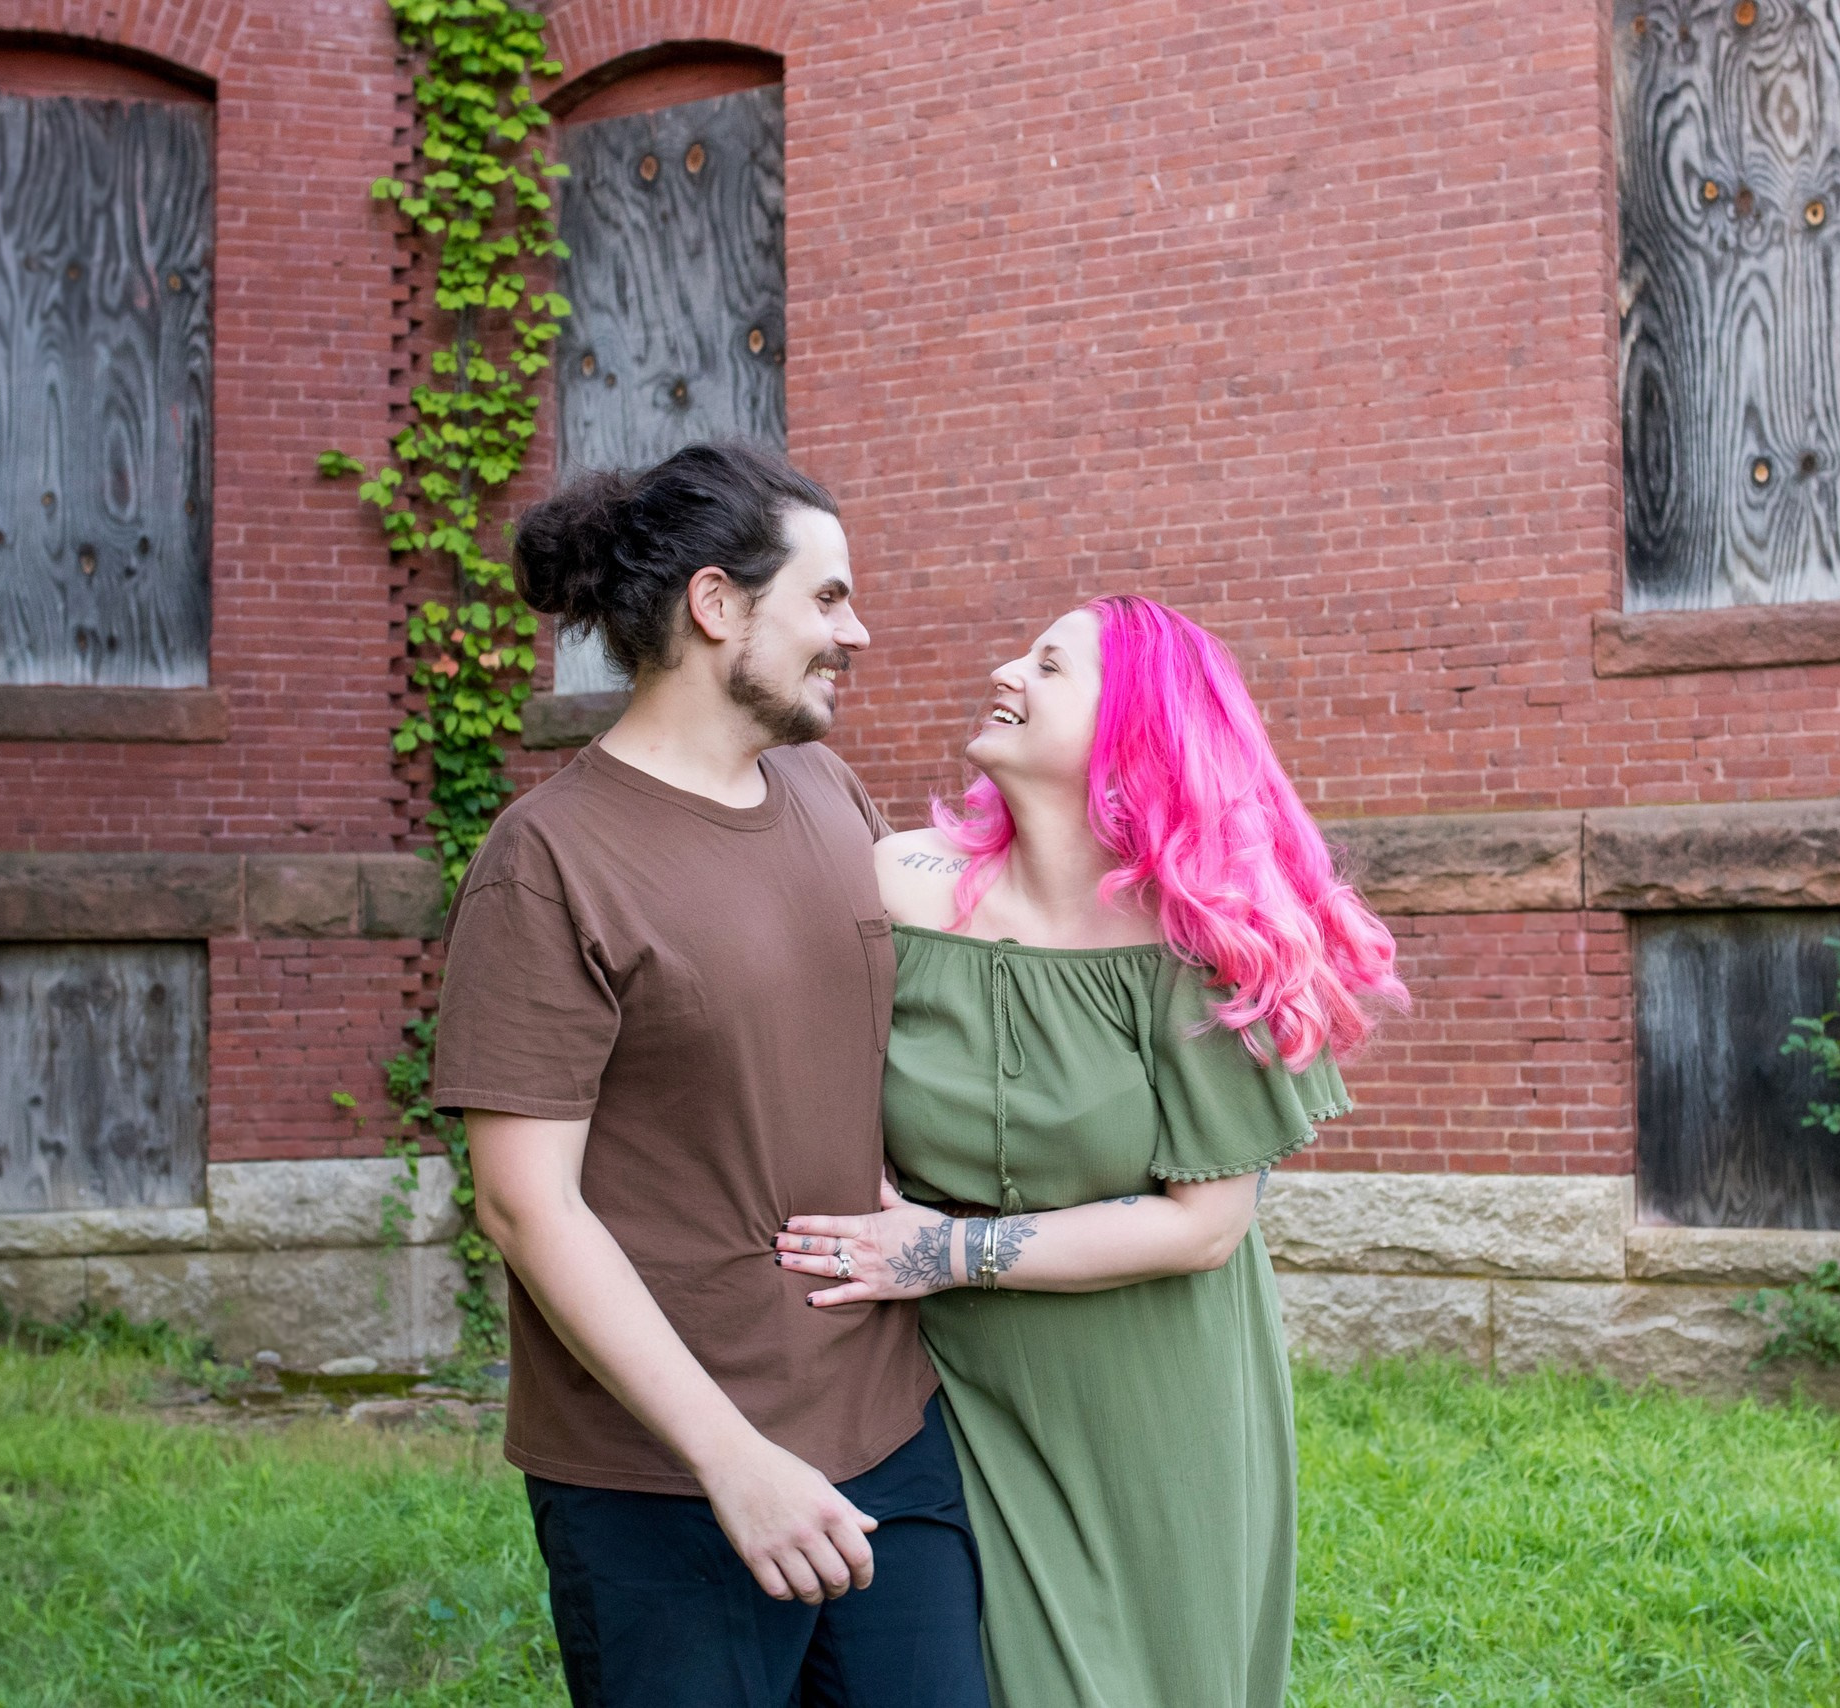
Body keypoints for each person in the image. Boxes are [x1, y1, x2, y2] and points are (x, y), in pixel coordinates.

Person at [430, 444, 989, 1708]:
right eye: (829, 598)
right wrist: (732, 1458)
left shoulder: (824, 790)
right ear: (716, 604)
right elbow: (527, 1204)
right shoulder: (551, 862)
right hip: (665, 1480)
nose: (860, 631)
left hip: (890, 1431)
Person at [774, 595, 1408, 1707]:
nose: (1007, 668)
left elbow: (1205, 1225)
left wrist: (943, 1252)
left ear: (1133, 733)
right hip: (947, 1388)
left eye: (1051, 664)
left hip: (1152, 1391)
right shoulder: (894, 885)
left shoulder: (1196, 935)